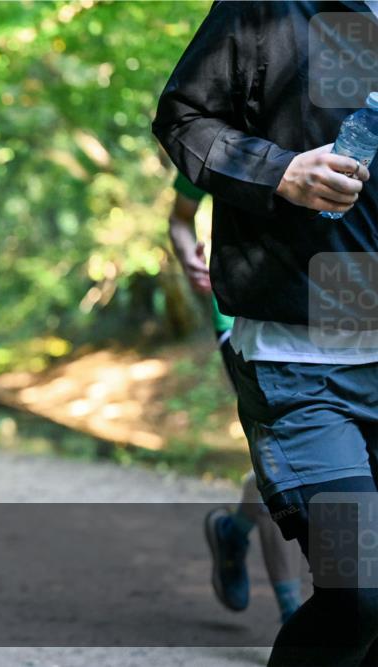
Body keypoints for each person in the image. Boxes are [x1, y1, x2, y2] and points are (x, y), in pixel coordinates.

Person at [153, 2, 378, 666]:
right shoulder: (267, 5)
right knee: (359, 591)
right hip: (301, 363)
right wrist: (279, 171)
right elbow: (183, 116)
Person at [167, 172, 303, 624]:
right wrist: (189, 258)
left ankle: (234, 529)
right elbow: (180, 217)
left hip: (342, 325)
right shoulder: (223, 140)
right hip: (245, 322)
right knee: (282, 461)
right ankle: (294, 621)